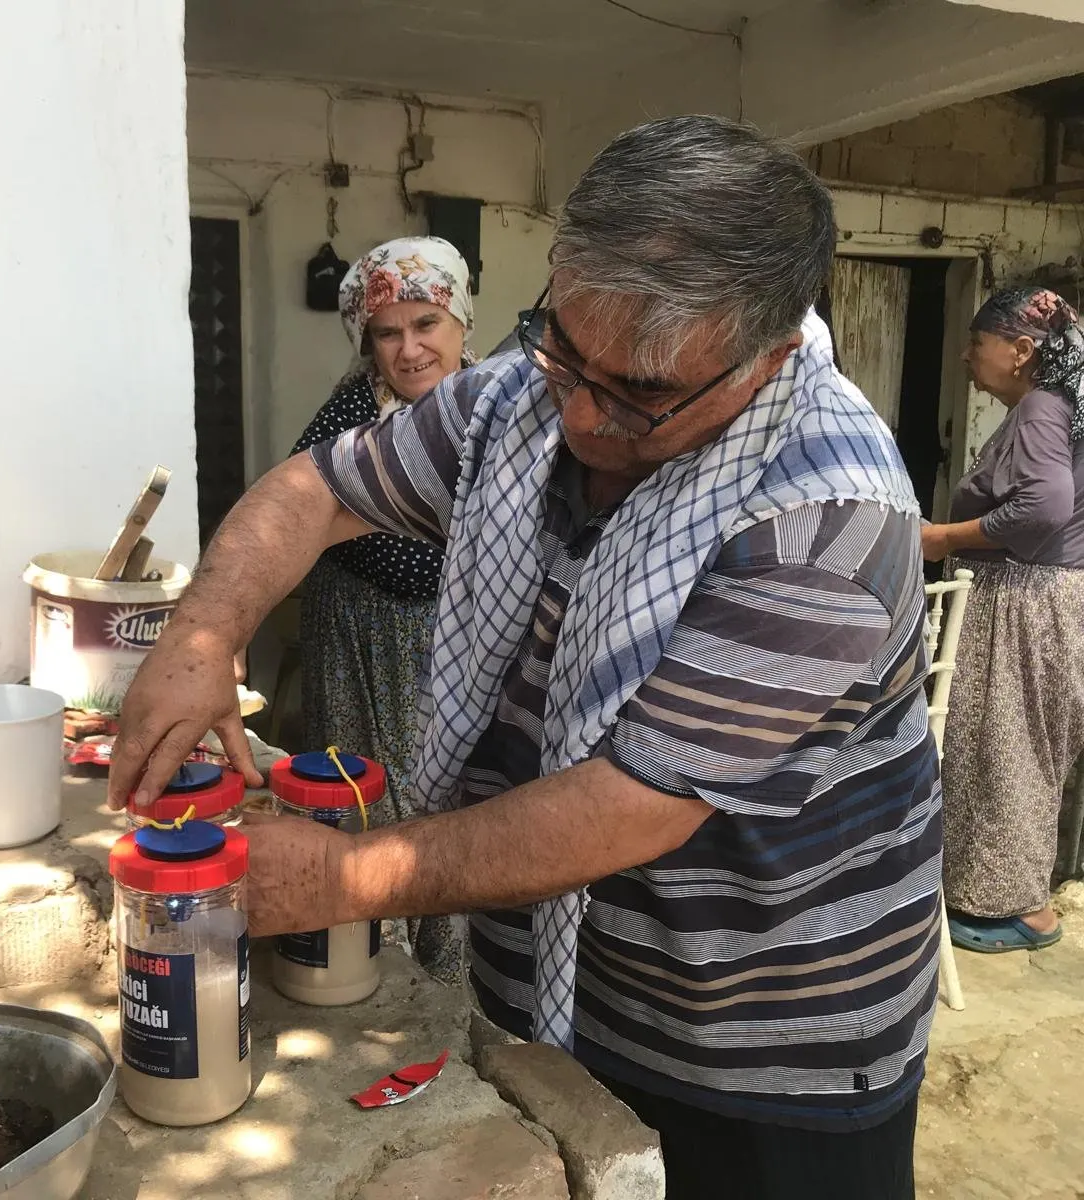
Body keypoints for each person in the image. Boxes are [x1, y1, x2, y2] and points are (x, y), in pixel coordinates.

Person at [110, 116, 935, 1200]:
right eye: (564, 348)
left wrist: (342, 877)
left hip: (764, 1040)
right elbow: (313, 493)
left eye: (639, 393)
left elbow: (628, 804)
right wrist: (202, 635)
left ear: (769, 356)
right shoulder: (518, 398)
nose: (582, 417)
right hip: (553, 978)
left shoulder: (825, 517)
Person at [288, 235, 474, 984]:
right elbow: (399, 562)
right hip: (368, 640)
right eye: (387, 333)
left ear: (460, 318)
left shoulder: (497, 401)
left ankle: (453, 982)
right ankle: (375, 972)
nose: (409, 349)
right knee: (372, 801)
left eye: (426, 324)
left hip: (455, 645)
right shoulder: (352, 413)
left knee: (460, 812)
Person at [922, 286, 1084, 954]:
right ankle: (1016, 901)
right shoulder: (1068, 408)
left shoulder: (1042, 409)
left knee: (1002, 750)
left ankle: (1011, 910)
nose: (966, 356)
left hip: (1024, 600)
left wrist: (943, 538)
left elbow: (1042, 509)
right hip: (1057, 597)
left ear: (1021, 351)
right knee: (1026, 754)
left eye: (978, 342)